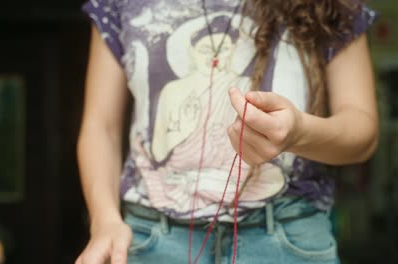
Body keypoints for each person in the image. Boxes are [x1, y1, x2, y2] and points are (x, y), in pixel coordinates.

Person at [75, 0, 379, 263]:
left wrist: (298, 133)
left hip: (286, 234)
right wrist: (104, 220)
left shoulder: (333, 6)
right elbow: (101, 127)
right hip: (152, 237)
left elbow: (362, 132)